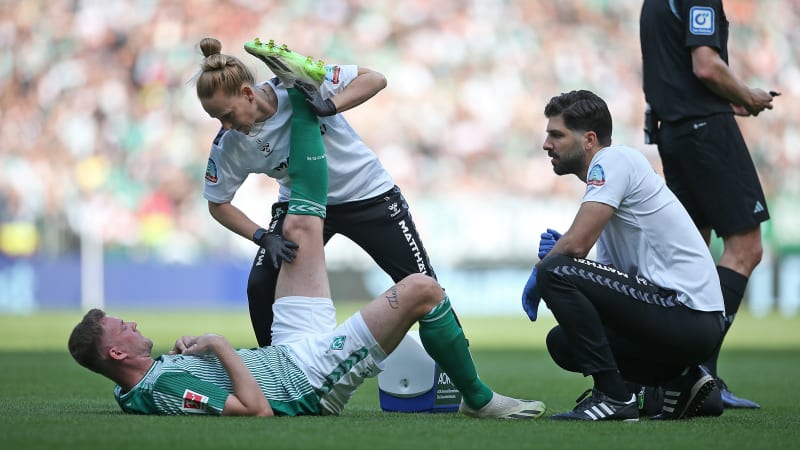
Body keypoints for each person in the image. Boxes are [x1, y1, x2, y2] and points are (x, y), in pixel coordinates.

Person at [197, 37, 444, 348]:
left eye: (227, 115)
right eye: (217, 119)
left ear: (247, 94)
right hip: (302, 207)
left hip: (368, 195)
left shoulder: (298, 81)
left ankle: (459, 382)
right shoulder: (230, 144)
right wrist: (263, 236)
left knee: (425, 286)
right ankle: (276, 373)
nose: (226, 125)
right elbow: (218, 203)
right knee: (261, 286)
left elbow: (376, 79)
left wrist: (330, 105)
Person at [522, 90, 725, 421]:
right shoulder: (612, 184)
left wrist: (545, 271)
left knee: (555, 271)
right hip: (687, 321)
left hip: (686, 311)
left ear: (589, 139)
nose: (547, 144)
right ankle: (685, 382)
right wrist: (567, 265)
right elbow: (607, 282)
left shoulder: (612, 160)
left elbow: (576, 246)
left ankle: (615, 398)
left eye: (556, 134)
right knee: (563, 343)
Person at [67, 278, 546, 417]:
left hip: (289, 354)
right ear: (115, 354)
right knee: (422, 290)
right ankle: (479, 401)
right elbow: (255, 411)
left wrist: (190, 350)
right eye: (120, 328)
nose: (130, 322)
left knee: (301, 230)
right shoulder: (163, 386)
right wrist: (216, 343)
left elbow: (152, 384)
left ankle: (303, 99)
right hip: (308, 379)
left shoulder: (137, 384)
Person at [640, 0, 776, 409]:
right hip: (705, 131)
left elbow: (675, 73)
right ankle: (700, 372)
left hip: (674, 133)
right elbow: (706, 65)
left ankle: (665, 372)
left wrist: (723, 98)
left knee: (692, 256)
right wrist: (747, 95)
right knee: (745, 248)